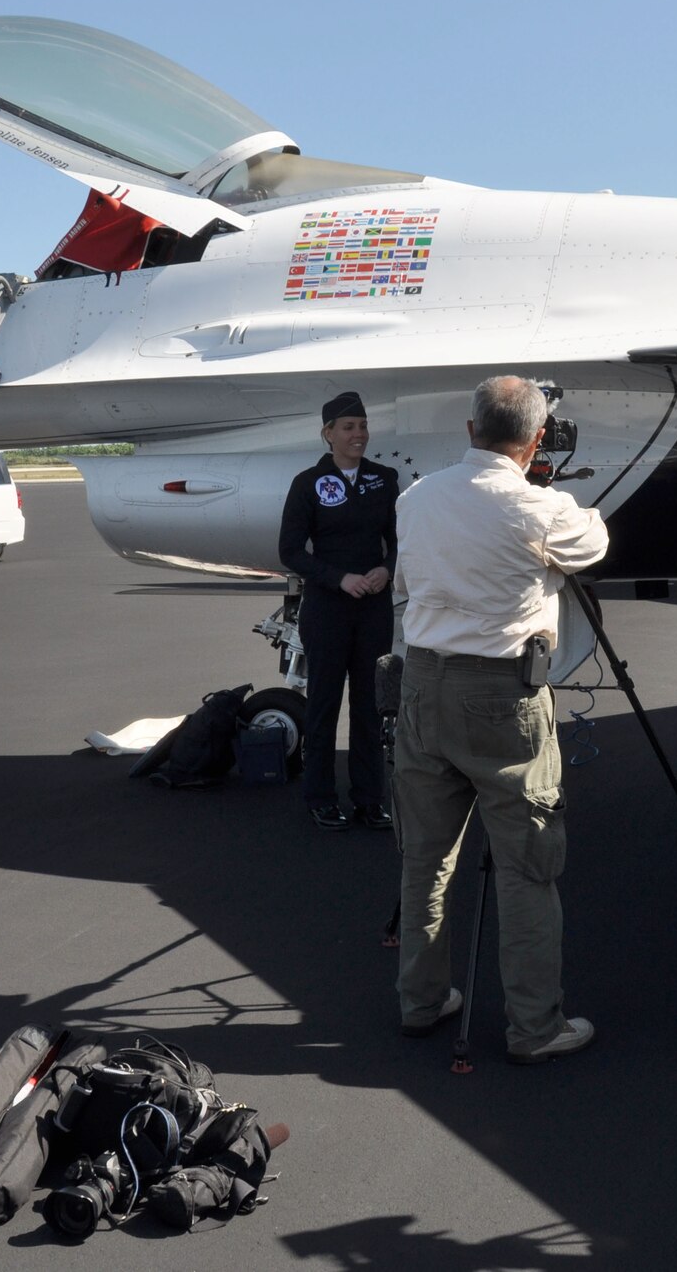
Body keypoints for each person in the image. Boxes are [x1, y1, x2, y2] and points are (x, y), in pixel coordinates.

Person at [392, 375, 608, 1064]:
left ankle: (421, 999)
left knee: (425, 860)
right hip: (502, 696)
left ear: (469, 429)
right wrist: (551, 488)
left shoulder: (414, 498)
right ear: (537, 439)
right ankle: (534, 1025)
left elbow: (404, 585)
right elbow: (593, 543)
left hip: (423, 683)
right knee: (526, 865)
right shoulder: (540, 508)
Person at [279, 391, 400, 830]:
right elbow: (290, 550)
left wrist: (387, 570)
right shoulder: (308, 483)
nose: (359, 435)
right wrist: (338, 578)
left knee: (371, 706)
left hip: (373, 608)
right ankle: (321, 797)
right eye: (348, 427)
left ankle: (370, 799)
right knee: (324, 704)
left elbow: (397, 539)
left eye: (363, 426)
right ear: (328, 433)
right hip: (328, 608)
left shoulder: (384, 479)